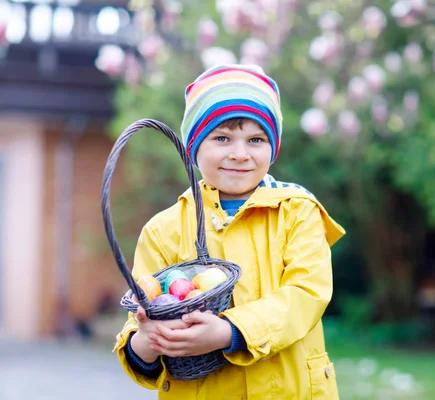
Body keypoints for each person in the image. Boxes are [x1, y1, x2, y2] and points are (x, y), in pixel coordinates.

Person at [113, 64, 345, 399]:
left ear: (272, 147)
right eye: (222, 138)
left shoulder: (297, 211)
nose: (240, 154)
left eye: (256, 139)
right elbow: (143, 319)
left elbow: (306, 294)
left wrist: (229, 332)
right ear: (194, 148)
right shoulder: (164, 230)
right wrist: (148, 342)